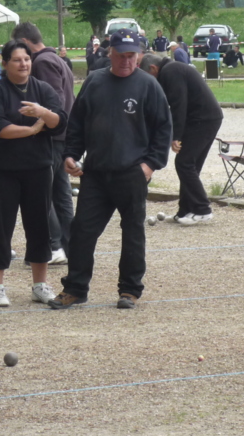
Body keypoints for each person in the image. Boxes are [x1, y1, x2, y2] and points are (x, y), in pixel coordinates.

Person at [49, 28, 172, 311]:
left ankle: (129, 290)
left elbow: (164, 128)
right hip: (96, 172)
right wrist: (71, 154)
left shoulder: (148, 86)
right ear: (110, 53)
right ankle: (76, 289)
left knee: (132, 232)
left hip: (132, 173)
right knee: (82, 231)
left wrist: (150, 165)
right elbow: (77, 123)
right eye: (121, 55)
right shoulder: (94, 82)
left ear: (139, 56)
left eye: (132, 56)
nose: (126, 61)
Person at [0, 39, 67, 307]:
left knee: (39, 225)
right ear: (5, 64)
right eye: (17, 60)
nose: (24, 64)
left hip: (38, 167)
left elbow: (60, 121)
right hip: (1, 170)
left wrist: (43, 113)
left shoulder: (43, 89)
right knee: (0, 225)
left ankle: (40, 284)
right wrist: (31, 129)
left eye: (27, 59)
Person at [12, 22, 76, 264]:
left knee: (46, 194)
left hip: (53, 136)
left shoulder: (43, 62)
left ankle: (55, 245)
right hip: (60, 135)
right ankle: (69, 247)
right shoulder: (56, 59)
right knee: (59, 193)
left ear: (26, 43)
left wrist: (38, 125)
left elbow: (55, 100)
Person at [140, 53, 223, 225]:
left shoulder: (171, 71)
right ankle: (185, 210)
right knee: (190, 165)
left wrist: (176, 136)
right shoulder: (172, 69)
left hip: (203, 119)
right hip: (205, 118)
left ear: (154, 69)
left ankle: (202, 209)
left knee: (184, 163)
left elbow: (179, 104)